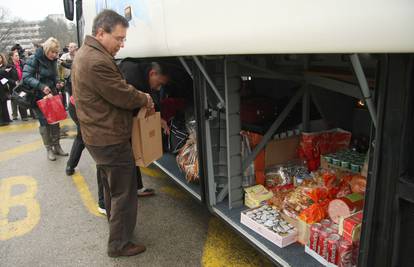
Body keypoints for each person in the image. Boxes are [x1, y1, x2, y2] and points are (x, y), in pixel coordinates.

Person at [71, 9, 153, 257]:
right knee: (124, 193)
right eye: (118, 38)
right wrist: (144, 98)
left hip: (98, 135)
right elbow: (122, 94)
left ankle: (117, 232)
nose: (122, 44)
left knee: (111, 189)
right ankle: (119, 244)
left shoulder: (87, 54)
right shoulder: (96, 61)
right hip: (109, 137)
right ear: (100, 33)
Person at [23, 37, 68, 161]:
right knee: (44, 123)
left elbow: (55, 75)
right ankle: (49, 149)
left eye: (56, 52)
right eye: (52, 52)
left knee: (55, 120)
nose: (55, 55)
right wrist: (41, 86)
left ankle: (57, 146)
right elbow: (26, 77)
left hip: (51, 94)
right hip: (37, 96)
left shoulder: (53, 60)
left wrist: (58, 82)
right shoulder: (34, 59)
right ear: (46, 50)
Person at [9, 50, 28, 121]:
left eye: (18, 55)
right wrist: (14, 82)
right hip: (14, 86)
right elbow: (7, 77)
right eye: (16, 56)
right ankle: (14, 114)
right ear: (12, 57)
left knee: (22, 98)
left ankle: (24, 115)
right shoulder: (9, 66)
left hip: (22, 84)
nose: (18, 57)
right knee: (14, 100)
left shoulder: (22, 63)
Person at [0, 53, 13, 126]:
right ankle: (2, 120)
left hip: (3, 87)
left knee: (4, 104)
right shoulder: (4, 69)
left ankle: (6, 119)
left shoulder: (5, 66)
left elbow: (6, 78)